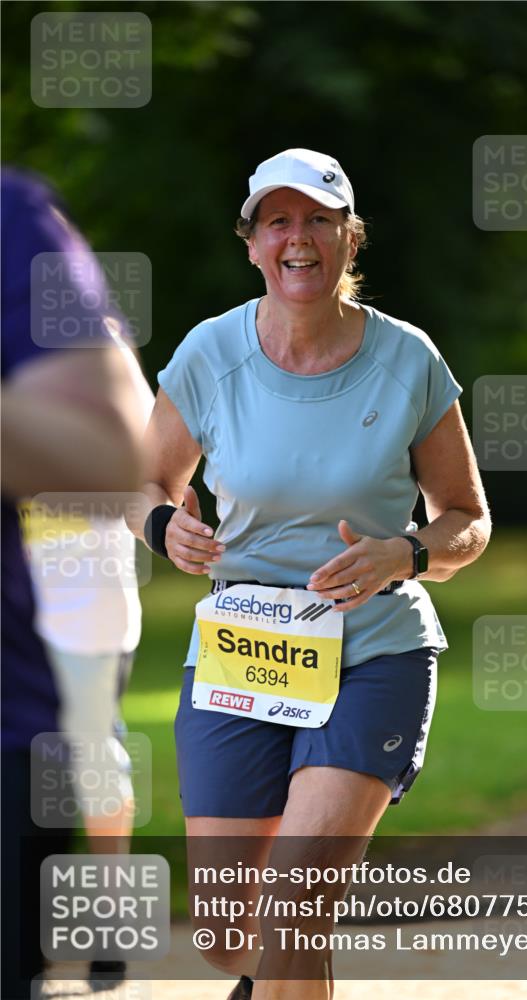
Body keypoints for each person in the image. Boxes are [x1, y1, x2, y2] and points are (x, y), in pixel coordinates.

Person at [130, 148, 491, 999]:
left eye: (319, 220)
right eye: (278, 221)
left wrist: (404, 552)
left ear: (348, 239)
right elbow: (145, 480)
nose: (299, 238)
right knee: (228, 931)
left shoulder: (407, 359)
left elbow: (466, 518)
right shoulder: (209, 353)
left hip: (373, 650)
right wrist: (161, 526)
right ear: (252, 243)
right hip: (241, 651)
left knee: (298, 900)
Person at [1, 168, 145, 998]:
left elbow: (119, 479)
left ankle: (109, 934)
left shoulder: (90, 378)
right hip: (43, 614)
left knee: (93, 768)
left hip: (84, 612)